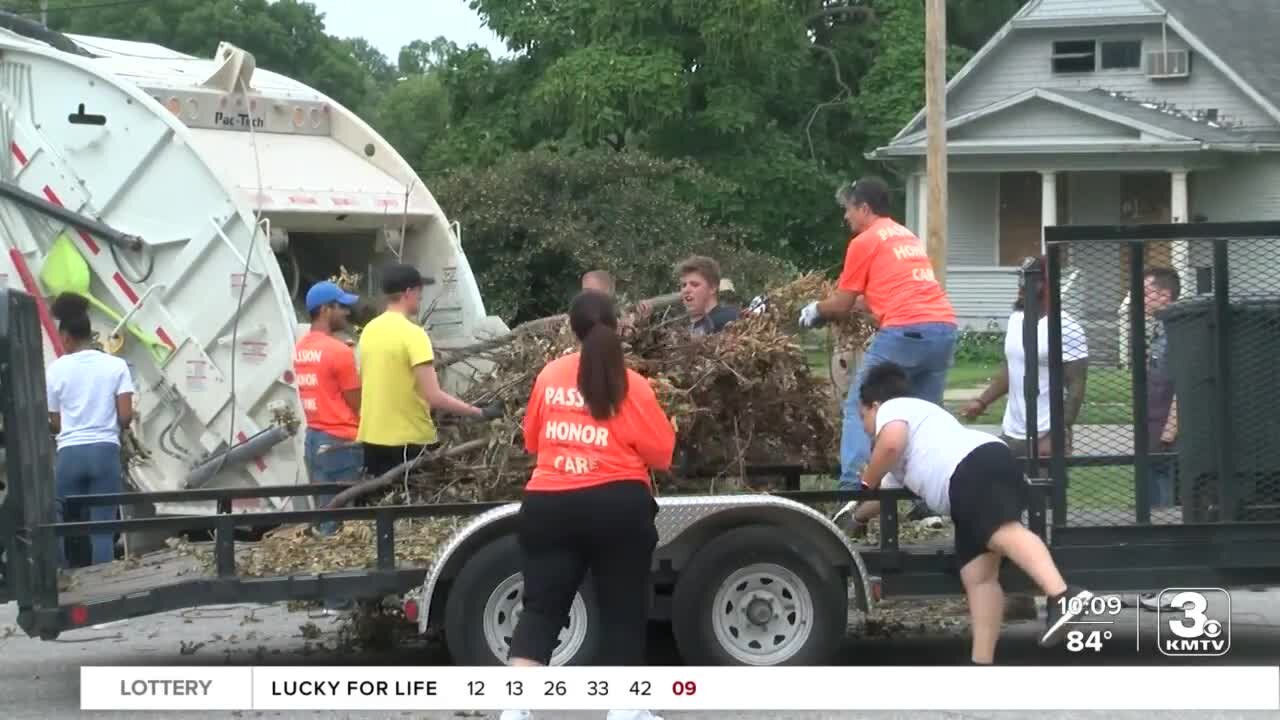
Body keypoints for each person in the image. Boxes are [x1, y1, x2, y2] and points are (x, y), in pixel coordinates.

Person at [845, 362, 1094, 663]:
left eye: (863, 417)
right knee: (978, 576)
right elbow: (883, 492)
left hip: (972, 469)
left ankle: (1063, 596)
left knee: (1003, 533)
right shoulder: (907, 451)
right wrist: (856, 518)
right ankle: (982, 663)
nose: (865, 426)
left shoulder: (897, 407)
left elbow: (890, 446)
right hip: (972, 477)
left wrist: (864, 482)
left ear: (874, 405)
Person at [502, 290, 675, 720]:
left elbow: (531, 440)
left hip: (548, 505)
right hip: (617, 506)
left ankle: (516, 709)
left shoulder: (548, 376)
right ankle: (623, 709)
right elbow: (662, 454)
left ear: (571, 329)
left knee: (542, 607)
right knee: (622, 607)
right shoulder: (632, 384)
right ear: (615, 327)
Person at [799, 176, 957, 524]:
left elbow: (841, 303)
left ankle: (851, 493)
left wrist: (816, 310)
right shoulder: (906, 237)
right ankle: (928, 503)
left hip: (904, 331)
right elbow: (880, 299)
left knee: (860, 405)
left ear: (864, 208)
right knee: (924, 416)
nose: (846, 218)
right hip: (943, 329)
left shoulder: (865, 241)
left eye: (848, 210)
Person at [356, 263, 503, 477]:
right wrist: (479, 412)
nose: (421, 297)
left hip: (372, 438)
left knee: (383, 507)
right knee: (418, 509)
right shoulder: (413, 334)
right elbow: (433, 396)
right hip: (409, 441)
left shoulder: (369, 331)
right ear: (408, 292)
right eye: (419, 291)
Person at [962, 256, 1089, 457]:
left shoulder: (1066, 327)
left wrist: (1057, 434)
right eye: (1020, 279)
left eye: (1026, 280)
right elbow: (1011, 369)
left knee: (1045, 489)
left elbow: (1076, 386)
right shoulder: (1016, 319)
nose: (1020, 288)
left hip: (1046, 433)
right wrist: (982, 402)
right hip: (1012, 431)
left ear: (1043, 285)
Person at [46, 293, 134, 567]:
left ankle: (62, 577)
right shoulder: (116, 366)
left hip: (70, 455)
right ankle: (103, 584)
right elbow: (126, 417)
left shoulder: (56, 369)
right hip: (105, 453)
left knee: (57, 518)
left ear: (68, 337)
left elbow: (55, 421)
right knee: (102, 524)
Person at [294, 281, 363, 537]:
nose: (346, 312)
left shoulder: (301, 348)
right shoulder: (339, 351)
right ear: (325, 310)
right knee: (342, 525)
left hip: (314, 439)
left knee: (325, 514)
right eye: (341, 306)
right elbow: (357, 402)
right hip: (340, 444)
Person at [1144, 267, 1180, 509]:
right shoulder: (1160, 329)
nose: (1139, 298)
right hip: (1150, 428)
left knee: (1163, 496)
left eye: (1145, 292)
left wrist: (1169, 431)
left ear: (1164, 295)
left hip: (1166, 437)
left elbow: (1184, 383)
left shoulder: (1177, 333)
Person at [676, 256, 739, 336]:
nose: (686, 290)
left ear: (712, 288)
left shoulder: (729, 317)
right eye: (684, 285)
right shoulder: (684, 330)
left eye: (694, 284)